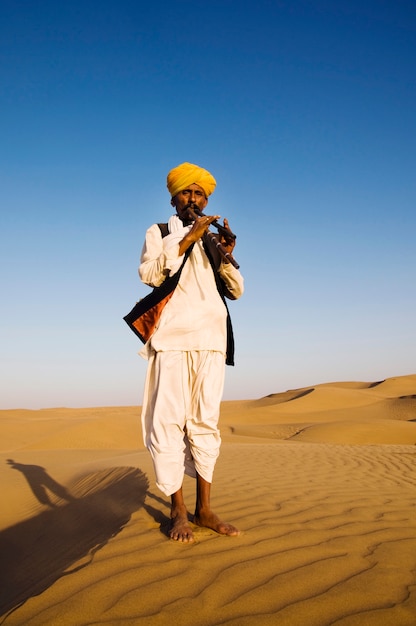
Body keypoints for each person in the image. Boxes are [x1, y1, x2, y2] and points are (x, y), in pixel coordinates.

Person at [138, 162, 244, 542]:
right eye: (187, 193)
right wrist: (185, 240)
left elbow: (236, 291)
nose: (193, 200)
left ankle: (205, 510)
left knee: (205, 424)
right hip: (171, 339)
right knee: (167, 423)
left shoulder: (215, 242)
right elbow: (150, 274)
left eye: (200, 194)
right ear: (174, 197)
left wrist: (227, 253)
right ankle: (177, 511)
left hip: (212, 340)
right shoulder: (161, 231)